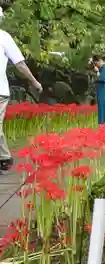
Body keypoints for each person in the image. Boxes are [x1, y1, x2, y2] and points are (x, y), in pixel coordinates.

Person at [0, 6, 42, 171]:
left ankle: (3, 157)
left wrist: (34, 82)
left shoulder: (4, 37)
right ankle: (4, 157)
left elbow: (19, 63)